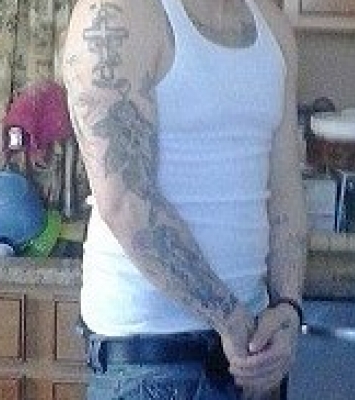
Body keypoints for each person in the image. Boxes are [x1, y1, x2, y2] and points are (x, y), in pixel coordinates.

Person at [61, 0, 306, 398]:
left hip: (253, 347)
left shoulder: (273, 25)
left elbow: (285, 187)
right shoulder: (115, 13)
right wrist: (230, 320)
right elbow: (125, 200)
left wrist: (288, 308)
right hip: (152, 357)